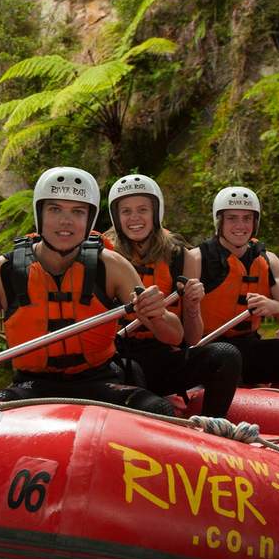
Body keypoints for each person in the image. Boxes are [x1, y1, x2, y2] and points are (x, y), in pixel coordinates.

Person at [0, 167, 181, 415]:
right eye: (55, 209)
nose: (66, 221)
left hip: (99, 381)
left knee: (160, 410)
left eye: (78, 212)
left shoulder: (111, 265)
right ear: (40, 214)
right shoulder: (4, 270)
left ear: (89, 219)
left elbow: (174, 335)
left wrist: (157, 315)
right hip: (31, 386)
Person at [104, 174, 242, 417]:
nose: (134, 218)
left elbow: (190, 338)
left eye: (143, 210)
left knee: (225, 355)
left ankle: (210, 426)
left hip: (162, 356)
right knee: (132, 374)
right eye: (126, 211)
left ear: (156, 213)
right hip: (118, 360)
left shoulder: (180, 256)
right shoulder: (105, 256)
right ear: (116, 217)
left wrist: (192, 305)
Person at [184, 186, 279, 393]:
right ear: (219, 221)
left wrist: (273, 306)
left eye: (247, 218)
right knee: (227, 357)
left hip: (248, 347)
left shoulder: (269, 261)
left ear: (255, 223)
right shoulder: (196, 259)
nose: (240, 225)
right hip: (208, 349)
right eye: (232, 218)